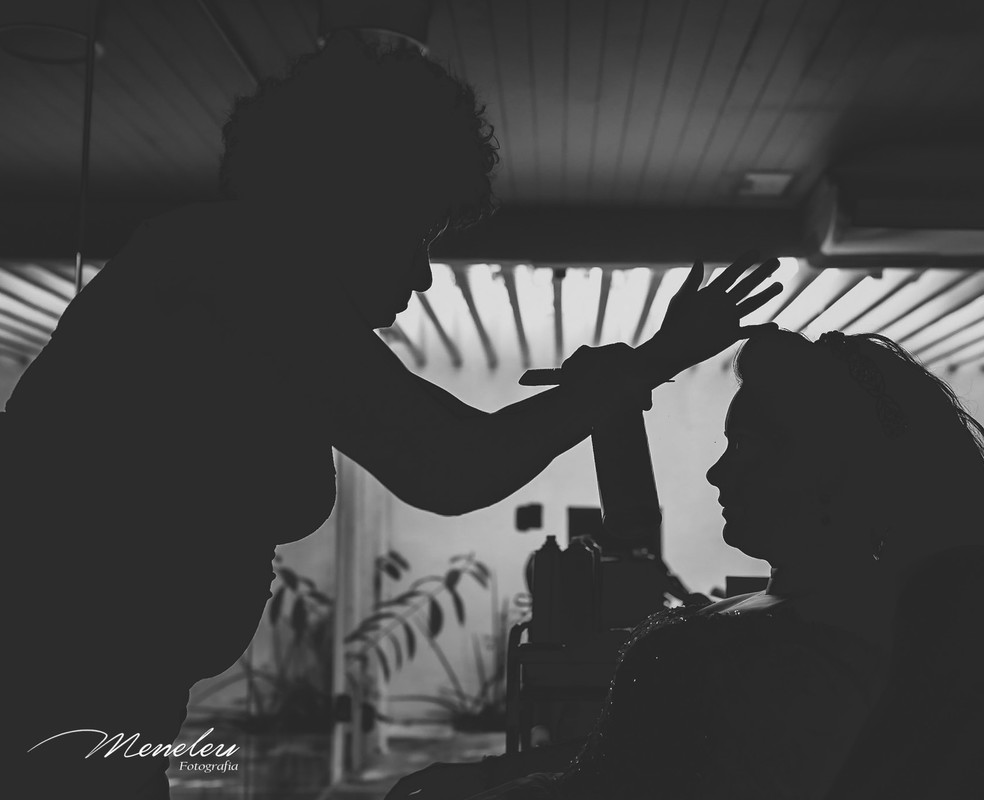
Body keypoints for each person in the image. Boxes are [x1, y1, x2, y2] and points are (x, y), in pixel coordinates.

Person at [1, 31, 783, 800]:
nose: (423, 275)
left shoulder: (232, 275)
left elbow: (448, 439)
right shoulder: (235, 270)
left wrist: (628, 375)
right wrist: (650, 363)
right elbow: (449, 464)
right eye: (417, 232)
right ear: (352, 197)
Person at [389, 326, 984, 800]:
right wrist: (493, 777)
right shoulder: (821, 615)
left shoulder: (822, 652)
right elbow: (649, 759)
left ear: (829, 472)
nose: (716, 472)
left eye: (746, 448)